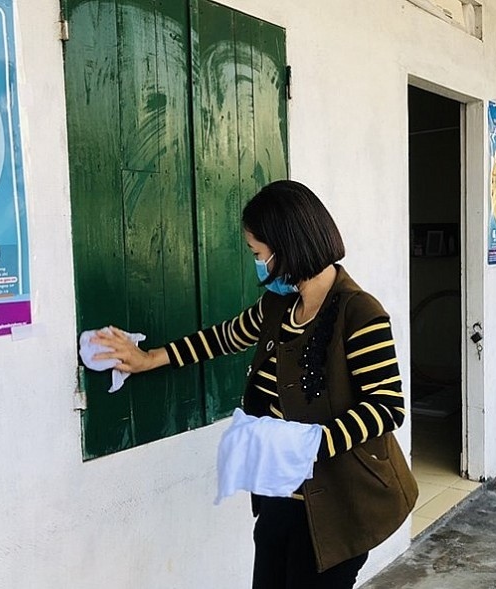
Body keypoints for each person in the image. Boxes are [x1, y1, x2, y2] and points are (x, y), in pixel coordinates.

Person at [92, 180, 418, 589]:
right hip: (281, 492)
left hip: (340, 504)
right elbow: (224, 337)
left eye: (258, 253)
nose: (258, 264)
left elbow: (387, 407)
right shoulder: (281, 305)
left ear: (286, 249)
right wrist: (149, 359)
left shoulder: (359, 312)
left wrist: (306, 444)